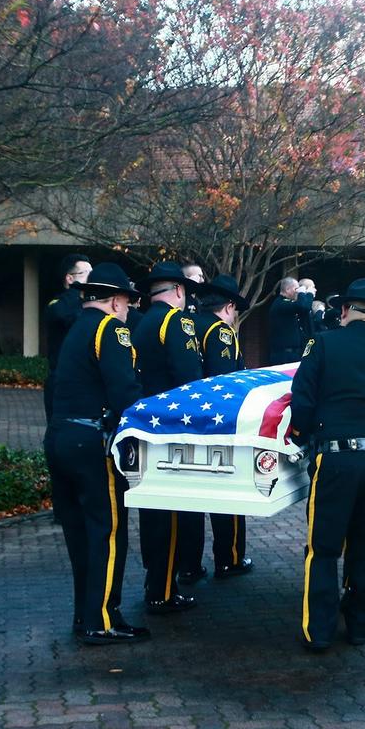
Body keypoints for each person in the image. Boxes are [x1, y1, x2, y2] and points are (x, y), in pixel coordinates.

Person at [289, 278, 365, 651]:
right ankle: (359, 624)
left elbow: (302, 401)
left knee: (323, 547)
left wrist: (306, 435)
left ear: (343, 311)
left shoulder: (323, 343)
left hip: (336, 458)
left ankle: (319, 631)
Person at [45, 262, 150, 645]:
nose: (127, 309)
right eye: (127, 301)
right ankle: (103, 618)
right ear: (117, 300)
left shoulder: (77, 328)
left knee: (79, 534)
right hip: (91, 442)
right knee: (107, 532)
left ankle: (85, 614)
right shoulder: (111, 329)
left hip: (60, 436)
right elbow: (125, 392)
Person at [131, 261, 203, 615]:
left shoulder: (142, 323)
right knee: (171, 511)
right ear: (179, 291)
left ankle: (154, 579)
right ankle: (161, 590)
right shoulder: (177, 322)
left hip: (145, 424)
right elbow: (190, 377)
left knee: (152, 510)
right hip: (173, 427)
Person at [191, 273, 255, 580]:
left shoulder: (189, 325)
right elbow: (227, 383)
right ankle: (228, 557)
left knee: (189, 498)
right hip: (217, 422)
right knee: (227, 493)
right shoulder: (220, 332)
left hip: (189, 420)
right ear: (229, 307)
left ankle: (189, 563)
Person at [43, 253, 92, 419]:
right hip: (62, 383)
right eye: (86, 274)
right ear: (70, 279)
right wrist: (77, 292)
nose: (92, 278)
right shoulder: (60, 304)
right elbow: (60, 314)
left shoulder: (90, 303)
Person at [267, 277, 314, 364]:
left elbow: (304, 308)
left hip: (293, 353)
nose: (297, 291)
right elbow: (303, 307)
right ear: (288, 289)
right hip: (284, 355)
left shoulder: (289, 303)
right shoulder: (280, 304)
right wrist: (307, 293)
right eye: (296, 289)